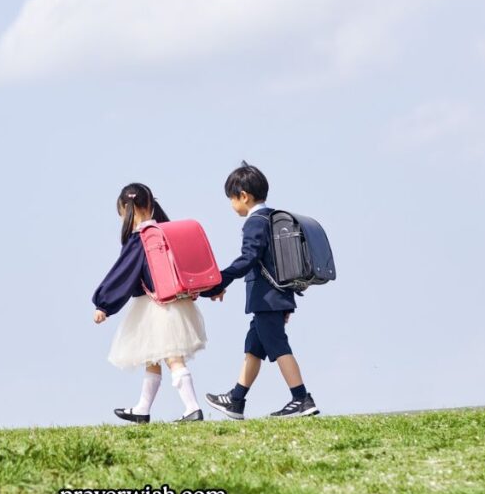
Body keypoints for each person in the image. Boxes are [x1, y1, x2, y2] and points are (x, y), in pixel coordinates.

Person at [201, 162, 319, 419]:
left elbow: (249, 258)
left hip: (266, 298)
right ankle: (235, 400)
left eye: (232, 199)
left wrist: (220, 280)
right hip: (276, 296)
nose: (232, 205)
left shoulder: (254, 222)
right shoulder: (273, 218)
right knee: (254, 346)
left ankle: (301, 399)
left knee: (278, 346)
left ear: (243, 196)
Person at [92, 183, 207, 423]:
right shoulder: (168, 232)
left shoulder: (140, 239)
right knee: (153, 358)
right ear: (151, 205)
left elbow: (123, 273)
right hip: (178, 302)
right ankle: (143, 408)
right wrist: (213, 288)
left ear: (126, 209)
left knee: (172, 357)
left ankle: (192, 408)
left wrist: (104, 304)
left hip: (156, 306)